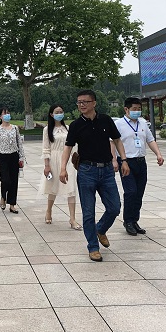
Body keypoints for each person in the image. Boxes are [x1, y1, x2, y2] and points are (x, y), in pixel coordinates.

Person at [59, 90, 130, 262]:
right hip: (86, 171)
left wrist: (124, 160)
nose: (82, 105)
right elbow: (68, 147)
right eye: (79, 102)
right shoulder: (76, 125)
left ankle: (101, 229)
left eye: (85, 101)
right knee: (88, 212)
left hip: (106, 171)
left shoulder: (106, 120)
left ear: (94, 103)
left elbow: (117, 140)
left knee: (114, 207)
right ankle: (93, 247)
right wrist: (63, 168)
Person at [112, 96, 165, 236]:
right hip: (126, 162)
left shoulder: (143, 123)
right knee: (131, 192)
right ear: (126, 109)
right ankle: (128, 221)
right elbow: (112, 142)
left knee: (139, 193)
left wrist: (158, 154)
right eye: (134, 109)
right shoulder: (119, 124)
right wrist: (114, 160)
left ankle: (135, 220)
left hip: (141, 162)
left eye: (139, 109)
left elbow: (150, 140)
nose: (137, 111)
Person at [40, 104, 81, 229]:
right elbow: (46, 148)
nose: (60, 114)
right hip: (54, 160)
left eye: (61, 111)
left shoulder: (67, 128)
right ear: (51, 114)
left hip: (67, 160)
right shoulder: (47, 130)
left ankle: (72, 218)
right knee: (53, 187)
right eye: (57, 112)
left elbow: (73, 145)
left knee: (71, 188)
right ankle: (49, 210)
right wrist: (47, 165)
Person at [0, 107, 25, 214]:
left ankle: (12, 204)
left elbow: (19, 143)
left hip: (14, 156)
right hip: (3, 157)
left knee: (14, 181)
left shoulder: (15, 128)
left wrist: (21, 157)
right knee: (5, 180)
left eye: (8, 113)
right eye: (4, 114)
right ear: (0, 116)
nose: (7, 115)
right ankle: (3, 197)